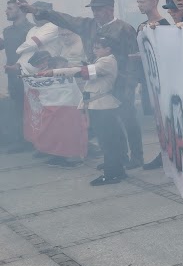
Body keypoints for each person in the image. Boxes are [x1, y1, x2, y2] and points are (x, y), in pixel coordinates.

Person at [25, 0, 144, 168]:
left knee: (128, 120)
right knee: (106, 123)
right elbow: (63, 18)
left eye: (99, 9)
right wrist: (36, 10)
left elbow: (134, 59)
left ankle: (136, 158)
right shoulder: (88, 25)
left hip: (121, 82)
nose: (95, 13)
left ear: (110, 9)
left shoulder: (124, 28)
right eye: (93, 9)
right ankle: (116, 158)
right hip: (96, 83)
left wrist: (130, 85)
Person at [37, 33, 125, 186]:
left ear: (108, 49)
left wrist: (54, 72)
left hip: (103, 106)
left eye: (98, 48)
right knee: (107, 141)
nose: (94, 50)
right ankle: (115, 167)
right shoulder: (103, 60)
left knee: (108, 142)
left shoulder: (106, 61)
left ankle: (113, 173)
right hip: (99, 105)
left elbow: (82, 72)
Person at [1, 0, 32, 151]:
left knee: (32, 109)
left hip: (28, 76)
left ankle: (35, 141)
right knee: (18, 108)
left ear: (22, 10)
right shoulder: (7, 31)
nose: (6, 11)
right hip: (13, 77)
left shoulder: (31, 30)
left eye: (10, 8)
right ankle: (22, 141)